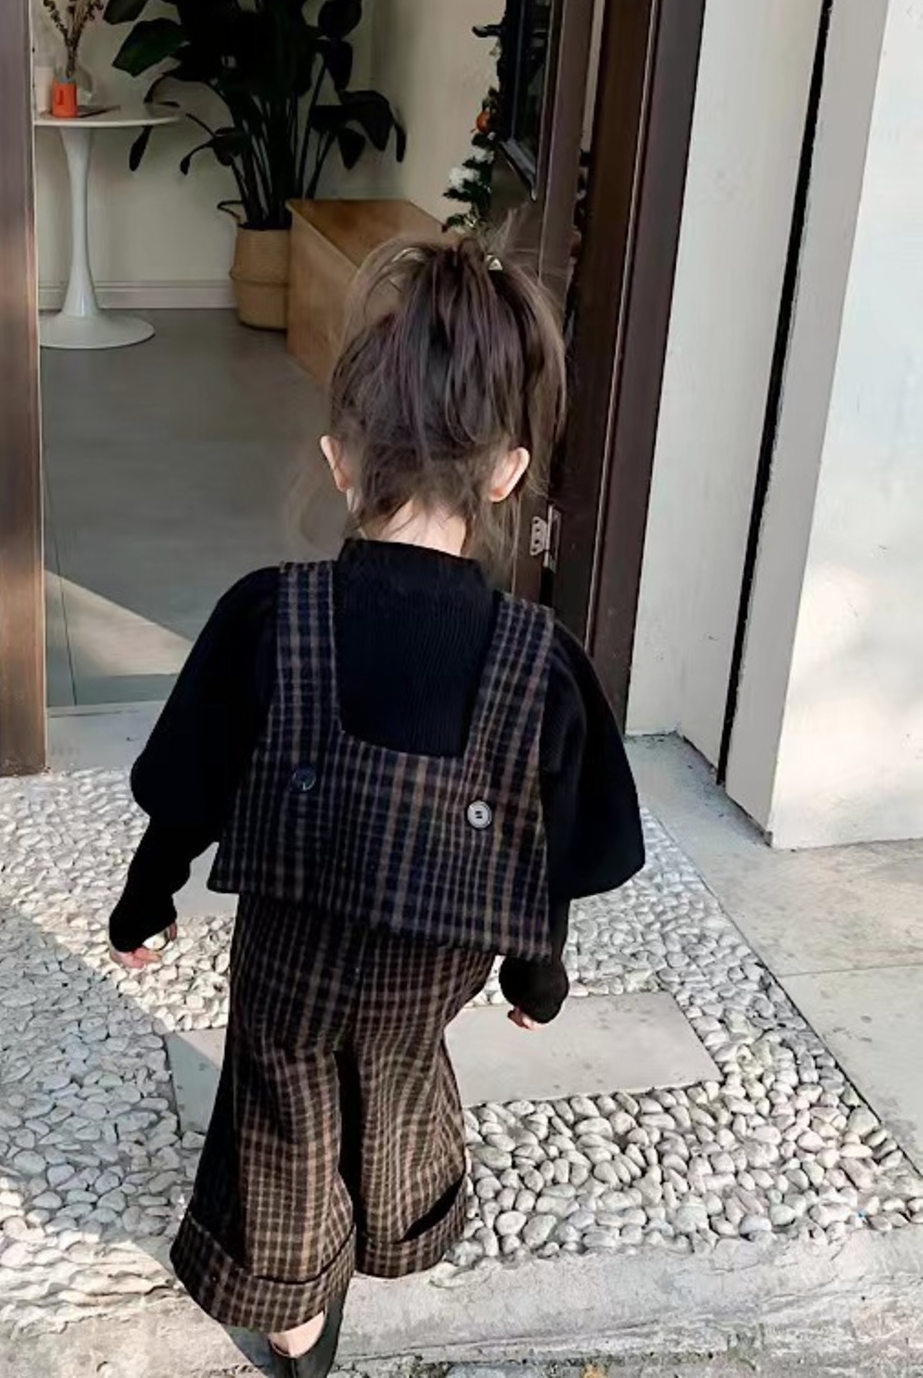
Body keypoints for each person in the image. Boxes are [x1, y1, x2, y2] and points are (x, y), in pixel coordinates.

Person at [108, 238, 645, 1378]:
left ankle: (295, 1317)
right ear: (506, 473)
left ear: (340, 457)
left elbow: (189, 783)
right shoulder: (542, 659)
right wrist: (534, 972)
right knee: (397, 1062)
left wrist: (145, 899)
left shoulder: (270, 614)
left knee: (280, 1087)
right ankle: (391, 1208)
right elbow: (549, 847)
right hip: (436, 956)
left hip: (293, 942)